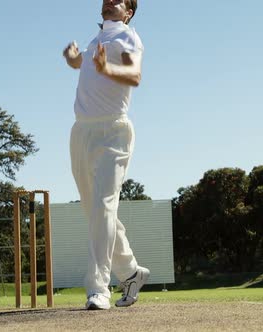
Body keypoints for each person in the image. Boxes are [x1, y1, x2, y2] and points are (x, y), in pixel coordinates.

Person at [62, 0, 149, 310]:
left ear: (129, 12)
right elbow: (82, 64)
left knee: (102, 206)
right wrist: (75, 59)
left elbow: (134, 75)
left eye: (120, 0)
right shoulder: (95, 41)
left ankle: (98, 289)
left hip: (113, 131)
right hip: (81, 131)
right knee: (96, 211)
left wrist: (105, 67)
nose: (110, 1)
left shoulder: (128, 37)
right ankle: (131, 272)